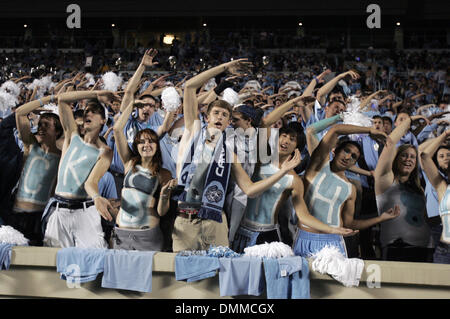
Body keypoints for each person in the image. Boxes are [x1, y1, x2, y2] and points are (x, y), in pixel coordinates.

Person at [173, 59, 301, 252]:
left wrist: (282, 171)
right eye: (216, 113)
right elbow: (190, 87)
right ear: (207, 117)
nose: (220, 117)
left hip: (214, 220)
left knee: (218, 276)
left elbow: (249, 190)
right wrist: (224, 68)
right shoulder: (193, 130)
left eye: (225, 116)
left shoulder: (230, 153)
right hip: (186, 218)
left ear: (228, 124)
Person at [232, 125, 355, 253]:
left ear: (297, 148)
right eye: (283, 136)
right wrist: (293, 103)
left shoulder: (294, 180)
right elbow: (265, 123)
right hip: (242, 230)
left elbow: (303, 215)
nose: (285, 141)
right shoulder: (262, 159)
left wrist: (333, 230)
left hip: (267, 235)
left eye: (292, 139)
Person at [293, 124, 400, 257]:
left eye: (354, 156)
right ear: (335, 151)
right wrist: (369, 130)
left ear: (354, 163)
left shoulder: (351, 189)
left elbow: (350, 223)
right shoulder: (318, 165)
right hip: (305, 237)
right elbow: (335, 130)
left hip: (334, 244)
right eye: (346, 151)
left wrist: (380, 218)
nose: (348, 157)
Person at [43, 90, 119, 248]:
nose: (88, 113)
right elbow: (62, 99)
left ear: (103, 120)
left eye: (95, 111)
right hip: (59, 210)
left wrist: (97, 197)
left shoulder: (105, 151)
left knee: (94, 260)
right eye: (86, 111)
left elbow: (91, 182)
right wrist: (96, 94)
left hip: (85, 211)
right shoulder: (72, 136)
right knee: (54, 264)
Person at [111, 98, 175, 251]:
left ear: (157, 146)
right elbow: (117, 130)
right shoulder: (129, 163)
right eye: (142, 142)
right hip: (121, 233)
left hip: (147, 236)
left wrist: (165, 194)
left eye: (151, 141)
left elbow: (161, 212)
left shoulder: (164, 174)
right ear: (136, 146)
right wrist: (131, 104)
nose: (146, 145)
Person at [4, 95, 63, 246]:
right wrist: (47, 99)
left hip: (41, 213)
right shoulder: (30, 146)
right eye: (40, 124)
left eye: (47, 125)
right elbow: (20, 113)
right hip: (15, 209)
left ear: (57, 131)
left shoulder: (62, 155)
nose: (41, 128)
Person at [374, 115, 433, 262]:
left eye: (413, 157)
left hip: (426, 249)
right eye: (404, 156)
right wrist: (409, 120)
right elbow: (390, 143)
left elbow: (425, 219)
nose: (409, 159)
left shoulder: (419, 189)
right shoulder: (385, 180)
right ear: (395, 159)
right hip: (396, 249)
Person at [419, 131, 450, 264]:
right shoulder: (441, 184)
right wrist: (444, 134)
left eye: (449, 155)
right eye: (442, 156)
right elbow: (424, 155)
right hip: (444, 244)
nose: (446, 158)